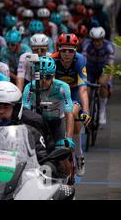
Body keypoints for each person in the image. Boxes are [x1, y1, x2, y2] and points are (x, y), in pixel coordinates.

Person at [51, 33, 90, 176]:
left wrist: (85, 111)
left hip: (73, 92)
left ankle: (79, 155)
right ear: (58, 49)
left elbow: (83, 89)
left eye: (71, 51)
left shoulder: (80, 60)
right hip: (57, 93)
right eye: (63, 50)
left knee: (73, 112)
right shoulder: (52, 60)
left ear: (76, 51)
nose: (67, 54)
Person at [22, 56, 75, 148]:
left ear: (53, 76)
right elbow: (25, 112)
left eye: (48, 77)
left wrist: (69, 138)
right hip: (40, 122)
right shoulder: (30, 88)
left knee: (64, 149)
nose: (44, 81)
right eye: (41, 77)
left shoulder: (62, 87)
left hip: (58, 121)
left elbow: (69, 113)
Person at [82, 27, 114, 125]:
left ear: (103, 39)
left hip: (103, 68)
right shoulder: (87, 44)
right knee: (86, 90)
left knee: (102, 83)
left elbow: (111, 66)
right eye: (94, 40)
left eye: (99, 40)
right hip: (90, 69)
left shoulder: (108, 46)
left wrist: (110, 82)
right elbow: (82, 62)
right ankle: (88, 110)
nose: (96, 43)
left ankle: (102, 110)